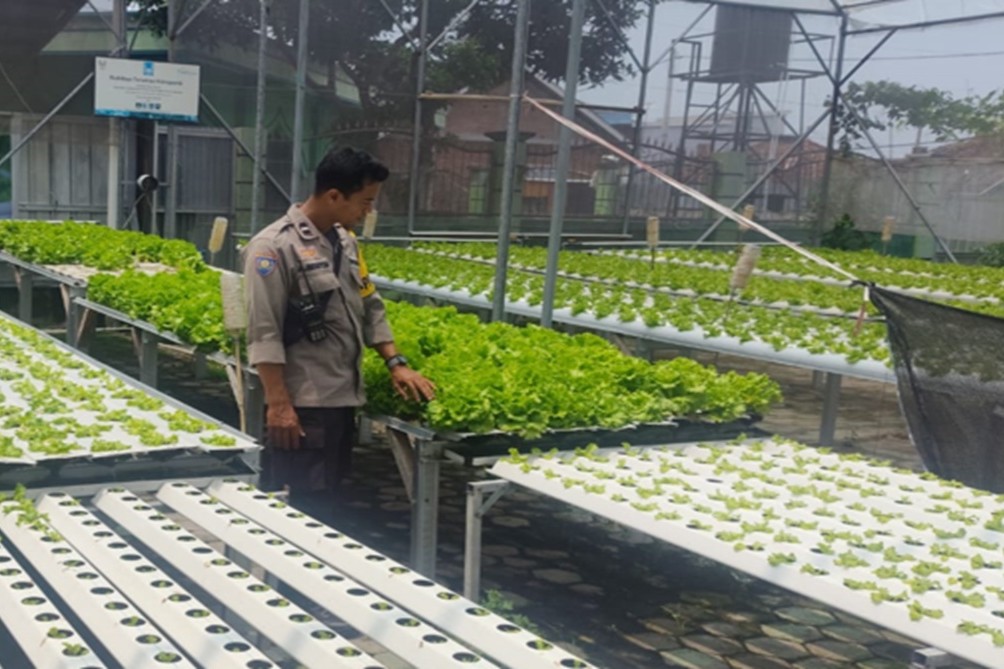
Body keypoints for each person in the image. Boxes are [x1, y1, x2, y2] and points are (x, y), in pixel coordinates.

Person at [243, 147, 435, 508]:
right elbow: (263, 331)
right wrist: (279, 405)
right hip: (305, 402)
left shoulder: (345, 241)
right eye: (365, 202)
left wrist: (396, 362)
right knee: (304, 504)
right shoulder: (273, 247)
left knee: (328, 495)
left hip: (342, 396)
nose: (368, 212)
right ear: (334, 196)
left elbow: (369, 303)